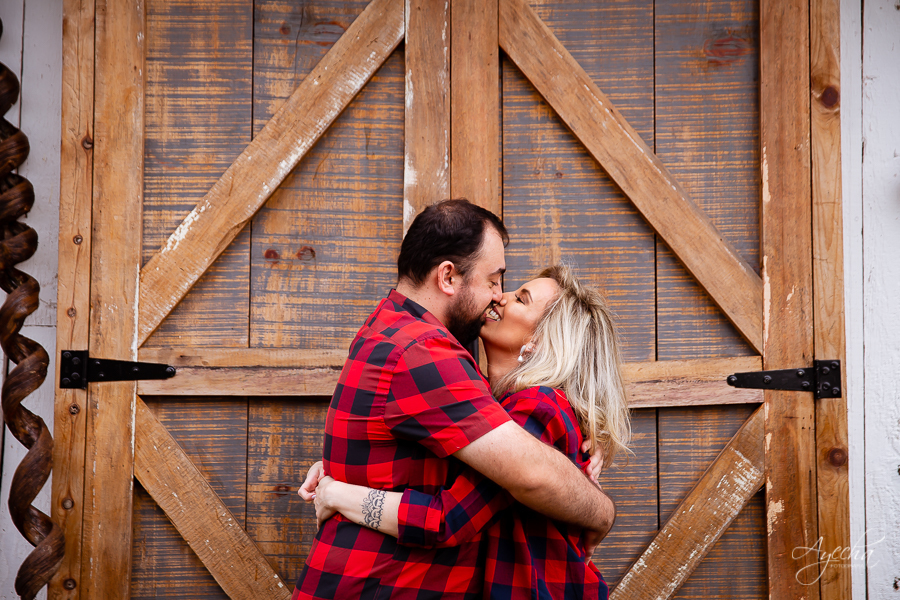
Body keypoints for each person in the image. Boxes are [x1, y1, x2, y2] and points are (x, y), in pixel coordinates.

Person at [292, 200, 616, 600]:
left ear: (542, 340)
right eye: (495, 279)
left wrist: (340, 487)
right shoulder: (424, 351)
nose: (498, 296)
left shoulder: (403, 333)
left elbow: (465, 485)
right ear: (448, 276)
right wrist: (601, 511)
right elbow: (525, 474)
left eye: (514, 292)